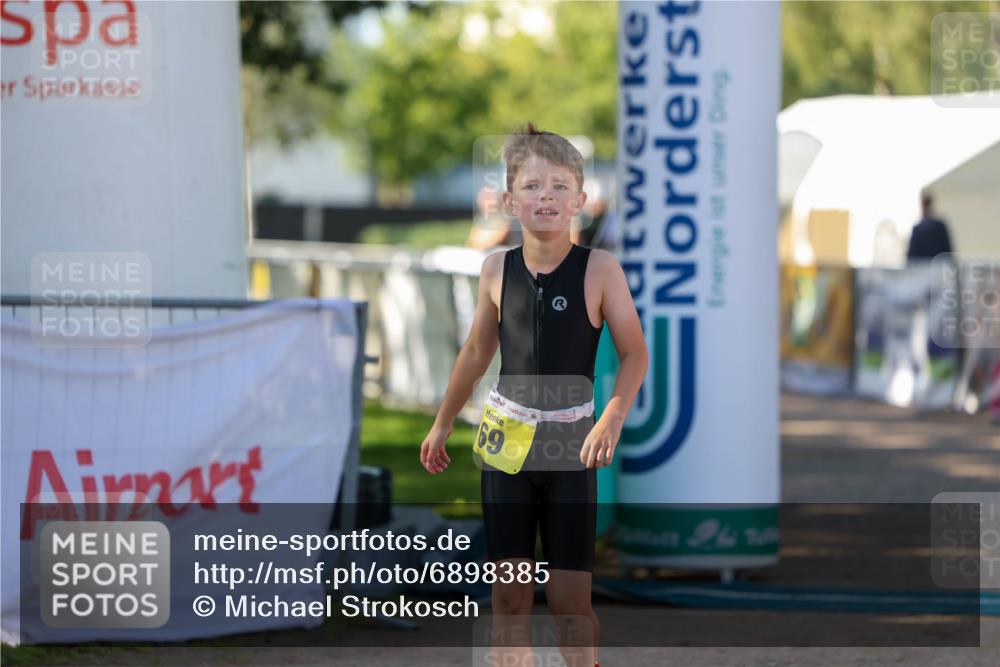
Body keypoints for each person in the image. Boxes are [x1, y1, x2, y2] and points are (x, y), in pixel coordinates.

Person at [420, 124, 648, 667]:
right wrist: (443, 421)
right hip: (507, 445)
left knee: (570, 604)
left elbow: (635, 354)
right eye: (531, 186)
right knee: (509, 596)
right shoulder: (495, 269)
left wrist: (612, 417)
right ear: (508, 201)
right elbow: (476, 352)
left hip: (571, 448)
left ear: (579, 200)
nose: (545, 196)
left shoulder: (600, 270)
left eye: (558, 186)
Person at [906, 191, 953, 263]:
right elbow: (911, 256)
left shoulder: (939, 226)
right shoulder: (918, 229)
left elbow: (947, 251)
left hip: (936, 265)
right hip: (924, 266)